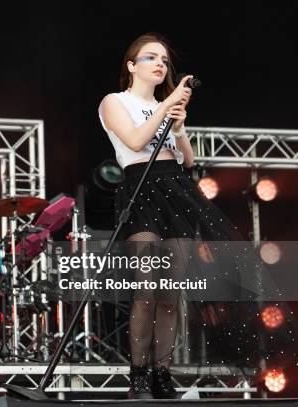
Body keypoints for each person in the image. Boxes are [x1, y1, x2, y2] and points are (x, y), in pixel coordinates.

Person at [98, 33, 249, 399]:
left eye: (164, 59)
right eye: (151, 57)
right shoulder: (115, 102)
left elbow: (189, 159)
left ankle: (162, 373)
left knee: (170, 294)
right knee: (145, 288)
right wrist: (165, 107)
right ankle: (137, 374)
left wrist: (179, 127)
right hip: (140, 186)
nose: (160, 64)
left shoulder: (166, 107)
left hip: (176, 188)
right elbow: (134, 142)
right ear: (132, 65)